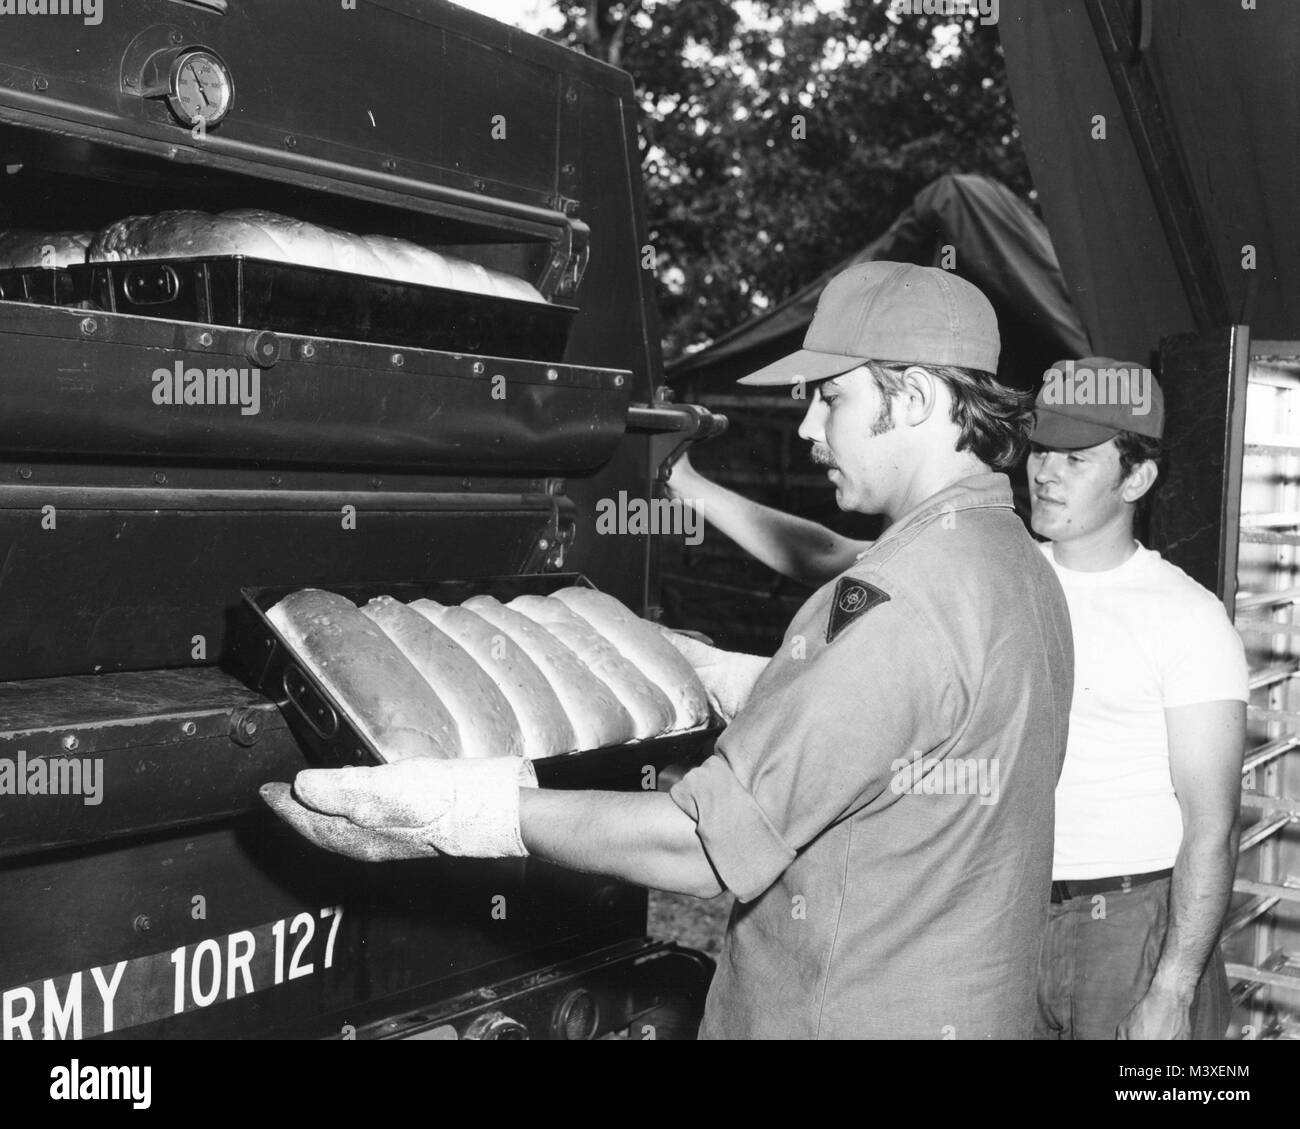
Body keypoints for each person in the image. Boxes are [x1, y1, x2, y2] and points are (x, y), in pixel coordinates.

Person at [262, 262, 1074, 1039]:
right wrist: (743, 680)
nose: (807, 426)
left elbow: (695, 845)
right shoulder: (1011, 561)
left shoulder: (901, 600)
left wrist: (461, 811)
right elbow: (913, 736)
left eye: (831, 398)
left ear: (919, 396)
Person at [667, 353, 1249, 1040]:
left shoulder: (1186, 615)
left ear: (1138, 476)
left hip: (1129, 921)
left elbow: (1212, 828)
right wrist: (684, 482)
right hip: (1009, 911)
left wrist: (1173, 988)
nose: (1046, 474)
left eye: (1077, 459)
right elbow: (823, 551)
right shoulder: (996, 564)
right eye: (1040, 451)